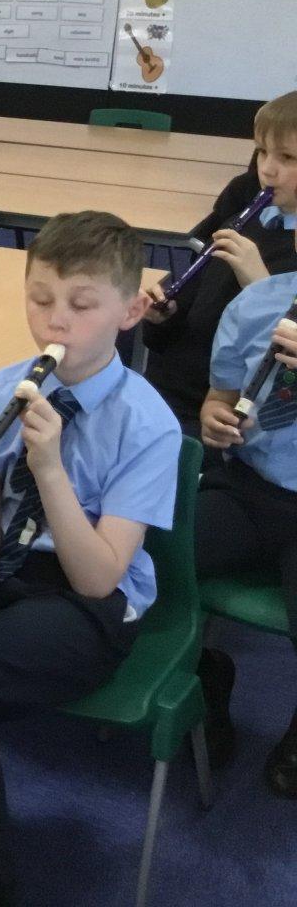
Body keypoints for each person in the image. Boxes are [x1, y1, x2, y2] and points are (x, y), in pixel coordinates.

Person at [0, 211, 180, 904]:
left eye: (81, 305)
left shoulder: (147, 424)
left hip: (92, 601)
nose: (55, 321)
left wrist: (51, 466)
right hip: (9, 568)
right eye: (40, 299)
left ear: (129, 312)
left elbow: (98, 578)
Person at [195, 220, 297, 795]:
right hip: (250, 488)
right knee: (152, 557)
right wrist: (213, 417)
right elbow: (221, 396)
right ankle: (201, 678)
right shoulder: (258, 304)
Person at [143, 92, 297, 435]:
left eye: (287, 157)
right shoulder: (243, 221)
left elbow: (282, 373)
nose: (267, 169)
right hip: (168, 394)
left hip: (234, 416)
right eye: (262, 151)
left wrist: (261, 287)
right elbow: (181, 331)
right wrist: (165, 317)